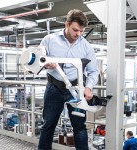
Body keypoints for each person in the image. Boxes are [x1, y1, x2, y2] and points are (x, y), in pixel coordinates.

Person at [38, 9, 99, 150]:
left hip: (76, 89)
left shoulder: (86, 46)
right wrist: (45, 64)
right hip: (54, 87)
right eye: (75, 30)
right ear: (67, 24)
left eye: (81, 31)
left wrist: (88, 87)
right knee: (48, 125)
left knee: (80, 127)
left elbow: (93, 71)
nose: (78, 34)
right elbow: (37, 62)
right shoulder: (49, 40)